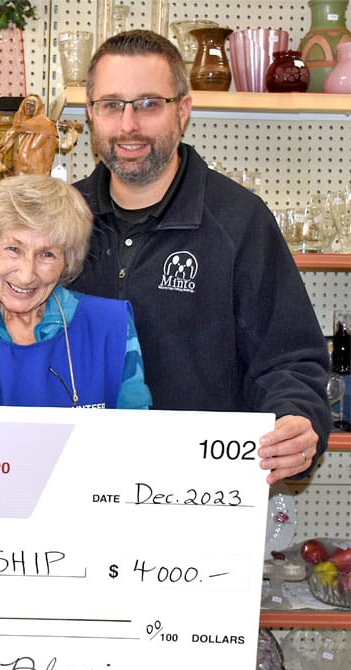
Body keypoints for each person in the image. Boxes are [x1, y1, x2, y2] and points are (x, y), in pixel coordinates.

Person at [70, 30, 331, 483]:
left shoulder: (239, 221)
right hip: (71, 488)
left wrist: (297, 418)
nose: (128, 125)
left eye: (149, 103)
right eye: (112, 104)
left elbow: (289, 359)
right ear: (92, 113)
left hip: (197, 498)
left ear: (183, 110)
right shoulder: (56, 224)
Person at [0, 174, 151, 409]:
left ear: (66, 261)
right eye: (13, 249)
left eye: (47, 254)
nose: (27, 275)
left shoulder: (112, 325)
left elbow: (133, 440)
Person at [0, 94, 81, 177]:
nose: (28, 108)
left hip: (39, 178)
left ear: (38, 108)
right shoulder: (17, 129)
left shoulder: (47, 130)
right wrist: (4, 169)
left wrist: (72, 131)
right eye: (27, 104)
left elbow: (64, 144)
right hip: (20, 176)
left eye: (32, 105)